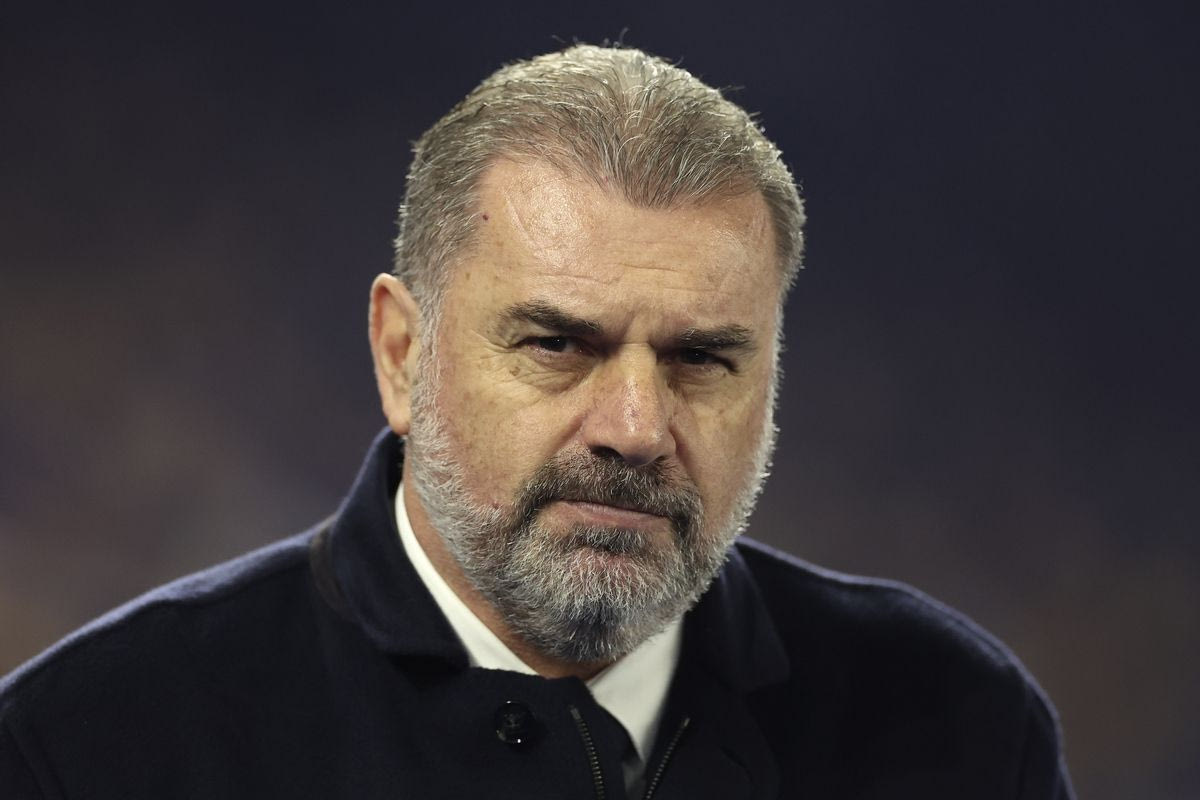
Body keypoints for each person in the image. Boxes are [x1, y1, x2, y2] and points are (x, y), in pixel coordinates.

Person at [0, 45, 1074, 799]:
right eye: (558, 343)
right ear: (401, 353)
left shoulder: (961, 724)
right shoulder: (86, 750)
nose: (636, 427)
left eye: (703, 358)